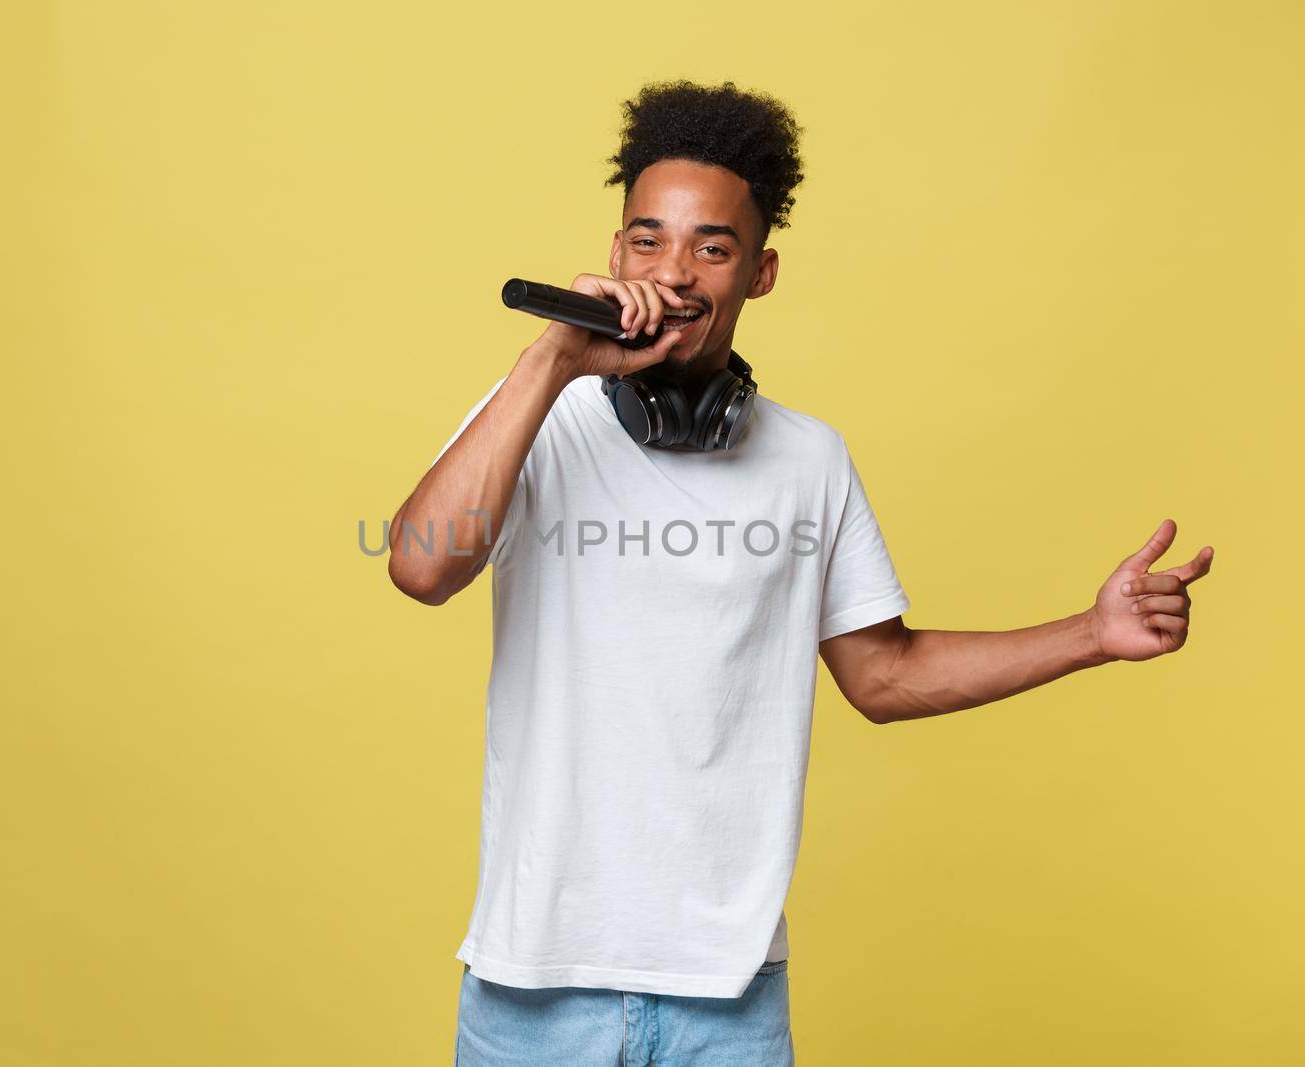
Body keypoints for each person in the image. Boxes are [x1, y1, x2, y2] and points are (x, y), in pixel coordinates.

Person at [386, 79, 1215, 1067]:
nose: (674, 271)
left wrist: (1092, 631)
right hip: (533, 989)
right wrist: (554, 357)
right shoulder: (536, 416)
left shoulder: (809, 460)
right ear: (614, 255)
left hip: (727, 1001)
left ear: (760, 271)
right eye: (646, 240)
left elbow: (884, 675)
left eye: (712, 246)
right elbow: (422, 566)